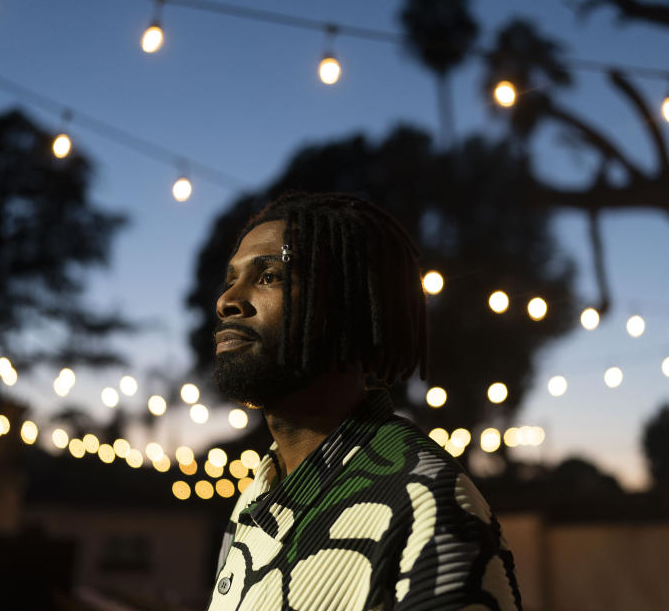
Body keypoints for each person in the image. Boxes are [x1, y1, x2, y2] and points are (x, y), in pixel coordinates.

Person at [205, 191, 521, 611]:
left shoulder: (428, 503)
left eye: (269, 276)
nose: (226, 301)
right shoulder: (256, 493)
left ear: (348, 307)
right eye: (231, 280)